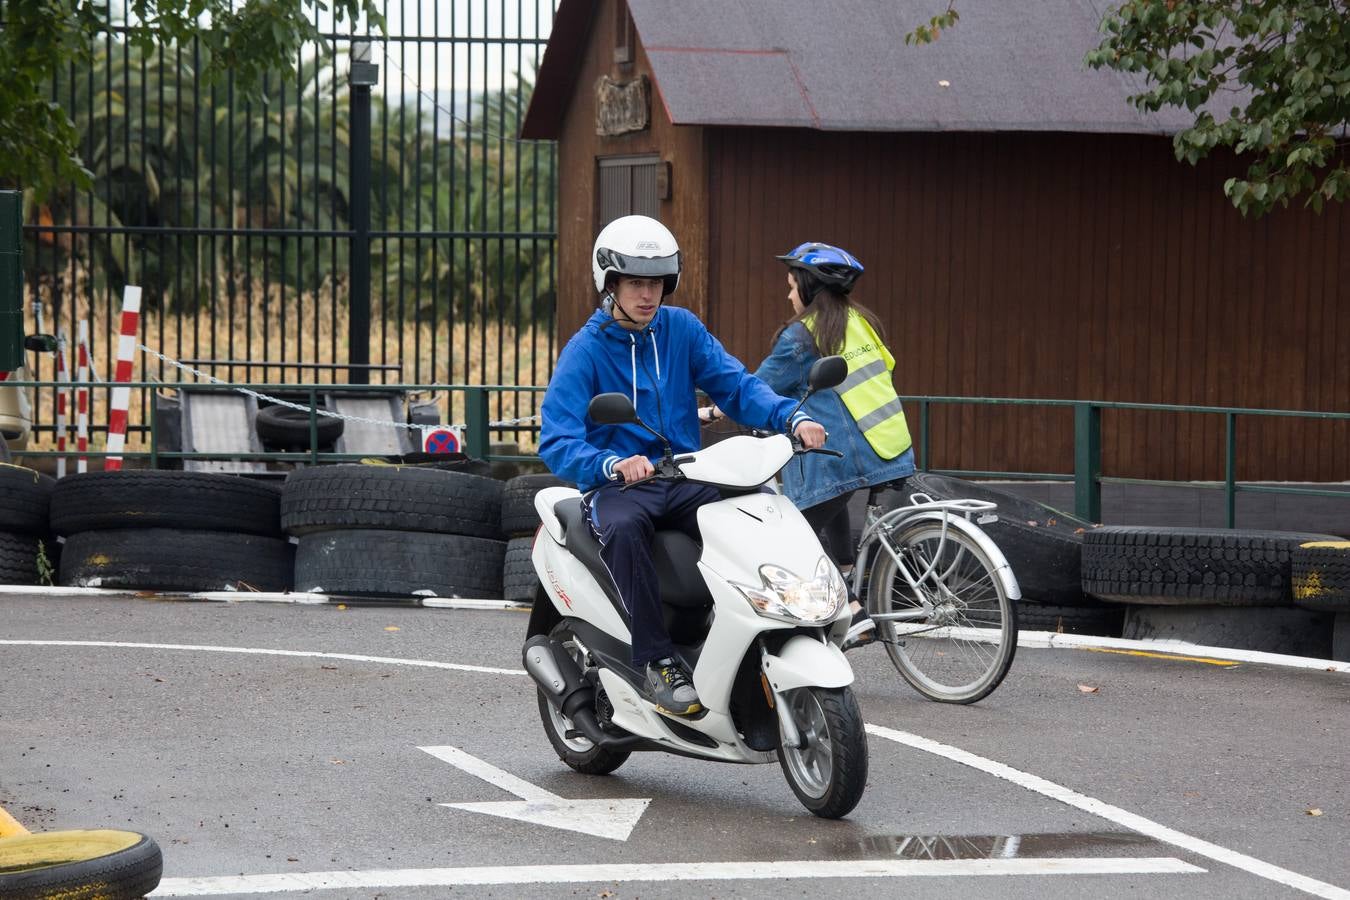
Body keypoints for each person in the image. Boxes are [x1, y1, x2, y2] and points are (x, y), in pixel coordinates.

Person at [539, 215, 826, 717]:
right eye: (634, 283)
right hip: (622, 488)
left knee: (760, 505)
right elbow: (557, 439)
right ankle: (656, 661)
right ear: (609, 283)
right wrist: (609, 464)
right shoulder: (585, 351)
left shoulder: (681, 329)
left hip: (688, 475)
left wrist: (792, 415)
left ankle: (776, 626)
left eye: (655, 284)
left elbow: (736, 386)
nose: (647, 295)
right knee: (625, 529)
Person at [702, 242, 915, 650]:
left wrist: (712, 413)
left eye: (790, 285)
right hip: (889, 443)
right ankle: (848, 567)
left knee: (793, 534)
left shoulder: (802, 335)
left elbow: (758, 389)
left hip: (843, 454)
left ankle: (851, 612)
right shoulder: (860, 321)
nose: (787, 295)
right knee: (830, 505)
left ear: (807, 286)